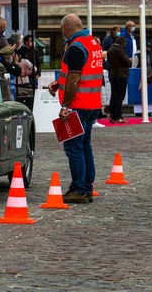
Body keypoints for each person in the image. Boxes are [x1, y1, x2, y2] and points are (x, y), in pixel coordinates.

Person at [48, 14, 103, 204]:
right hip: (92, 104)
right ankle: (87, 187)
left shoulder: (75, 47)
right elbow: (83, 73)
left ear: (66, 28)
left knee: (74, 149)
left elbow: (74, 78)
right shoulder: (93, 43)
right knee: (85, 147)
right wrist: (58, 82)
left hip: (77, 105)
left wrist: (66, 106)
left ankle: (79, 189)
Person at [107, 36, 131, 124]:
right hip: (121, 74)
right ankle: (118, 116)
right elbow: (127, 62)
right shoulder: (120, 50)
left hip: (113, 74)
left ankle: (112, 115)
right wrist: (130, 61)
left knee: (114, 95)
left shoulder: (110, 50)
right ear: (123, 43)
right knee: (120, 96)